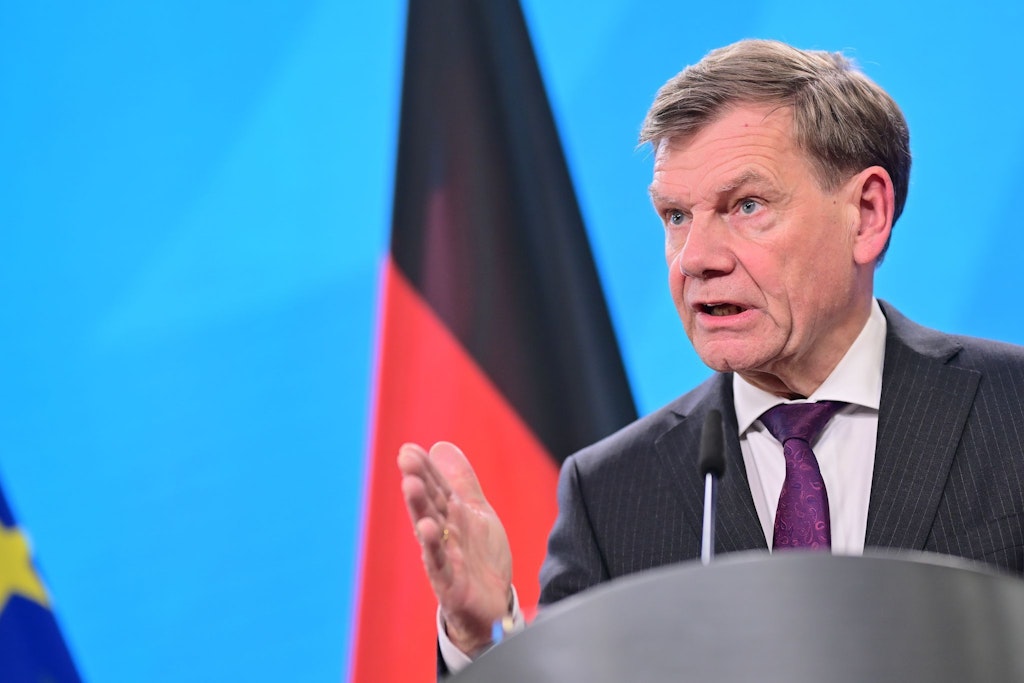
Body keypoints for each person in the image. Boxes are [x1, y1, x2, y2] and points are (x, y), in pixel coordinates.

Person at [398, 38, 1024, 673]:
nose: (695, 259)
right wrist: (484, 642)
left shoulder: (1013, 408)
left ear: (866, 214)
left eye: (746, 206)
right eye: (675, 216)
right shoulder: (613, 492)